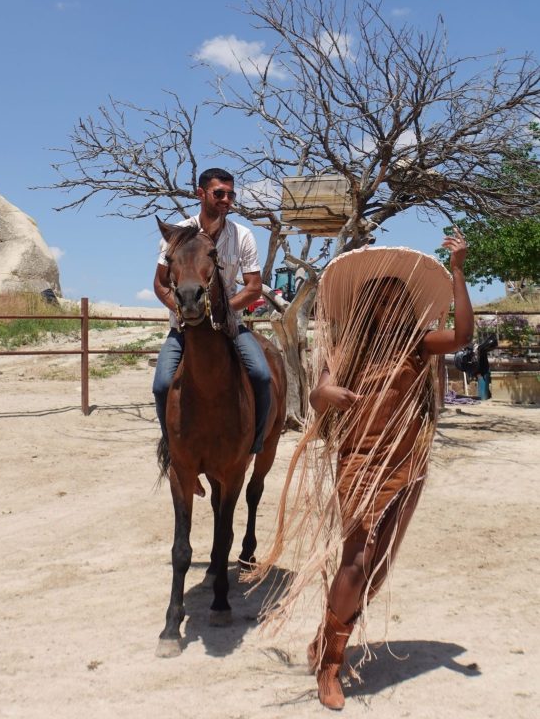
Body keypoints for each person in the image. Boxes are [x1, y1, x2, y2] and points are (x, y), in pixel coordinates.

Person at [255, 230, 473, 711]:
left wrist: (457, 269)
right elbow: (318, 396)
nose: (393, 308)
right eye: (384, 299)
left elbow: (461, 336)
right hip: (359, 459)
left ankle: (328, 639)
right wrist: (325, 396)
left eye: (400, 299)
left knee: (380, 563)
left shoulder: (419, 345)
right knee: (358, 555)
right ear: (368, 305)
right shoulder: (347, 350)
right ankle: (330, 666)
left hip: (407, 460)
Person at [152, 168, 272, 465]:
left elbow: (254, 287)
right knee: (162, 384)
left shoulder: (242, 236)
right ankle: (173, 450)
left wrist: (220, 310)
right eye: (219, 193)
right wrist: (182, 309)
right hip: (183, 329)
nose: (227, 199)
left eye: (231, 194)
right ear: (201, 193)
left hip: (230, 325)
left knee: (262, 374)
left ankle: (254, 442)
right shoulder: (178, 233)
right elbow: (159, 283)